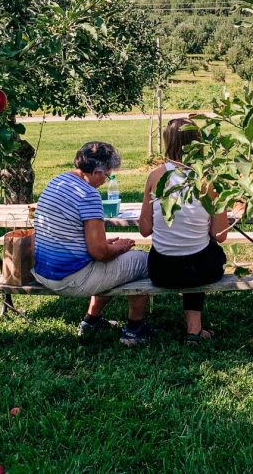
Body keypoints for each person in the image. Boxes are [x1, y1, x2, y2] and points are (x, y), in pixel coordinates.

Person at [32, 141, 153, 346]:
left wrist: (108, 247)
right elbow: (99, 253)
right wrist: (119, 247)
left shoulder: (57, 181)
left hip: (44, 271)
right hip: (70, 278)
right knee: (143, 261)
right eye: (107, 175)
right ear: (97, 171)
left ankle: (92, 320)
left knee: (120, 262)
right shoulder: (88, 195)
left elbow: (72, 235)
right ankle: (134, 329)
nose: (105, 180)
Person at [140, 118, 228, 343]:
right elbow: (220, 235)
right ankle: (194, 329)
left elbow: (144, 229)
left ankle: (194, 329)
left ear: (167, 142)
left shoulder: (155, 177)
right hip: (201, 269)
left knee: (191, 253)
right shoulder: (208, 180)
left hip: (162, 270)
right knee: (203, 252)